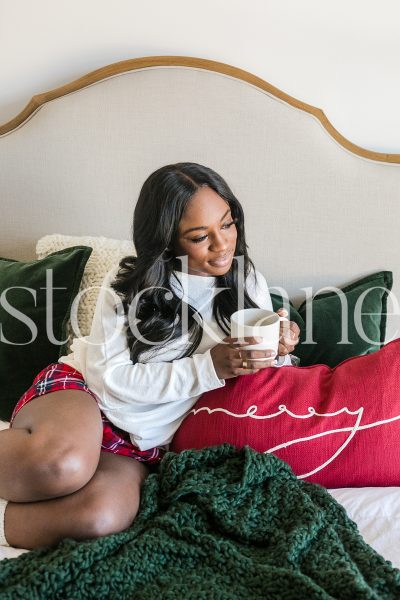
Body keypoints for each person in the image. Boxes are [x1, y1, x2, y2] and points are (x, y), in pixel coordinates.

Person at [0, 163, 300, 550]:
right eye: (199, 236)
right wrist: (210, 367)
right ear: (168, 242)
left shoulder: (248, 284)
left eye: (227, 224)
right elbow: (111, 378)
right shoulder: (129, 285)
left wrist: (279, 350)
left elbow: (261, 383)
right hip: (87, 398)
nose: (222, 244)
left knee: (101, 518)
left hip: (143, 444)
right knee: (63, 465)